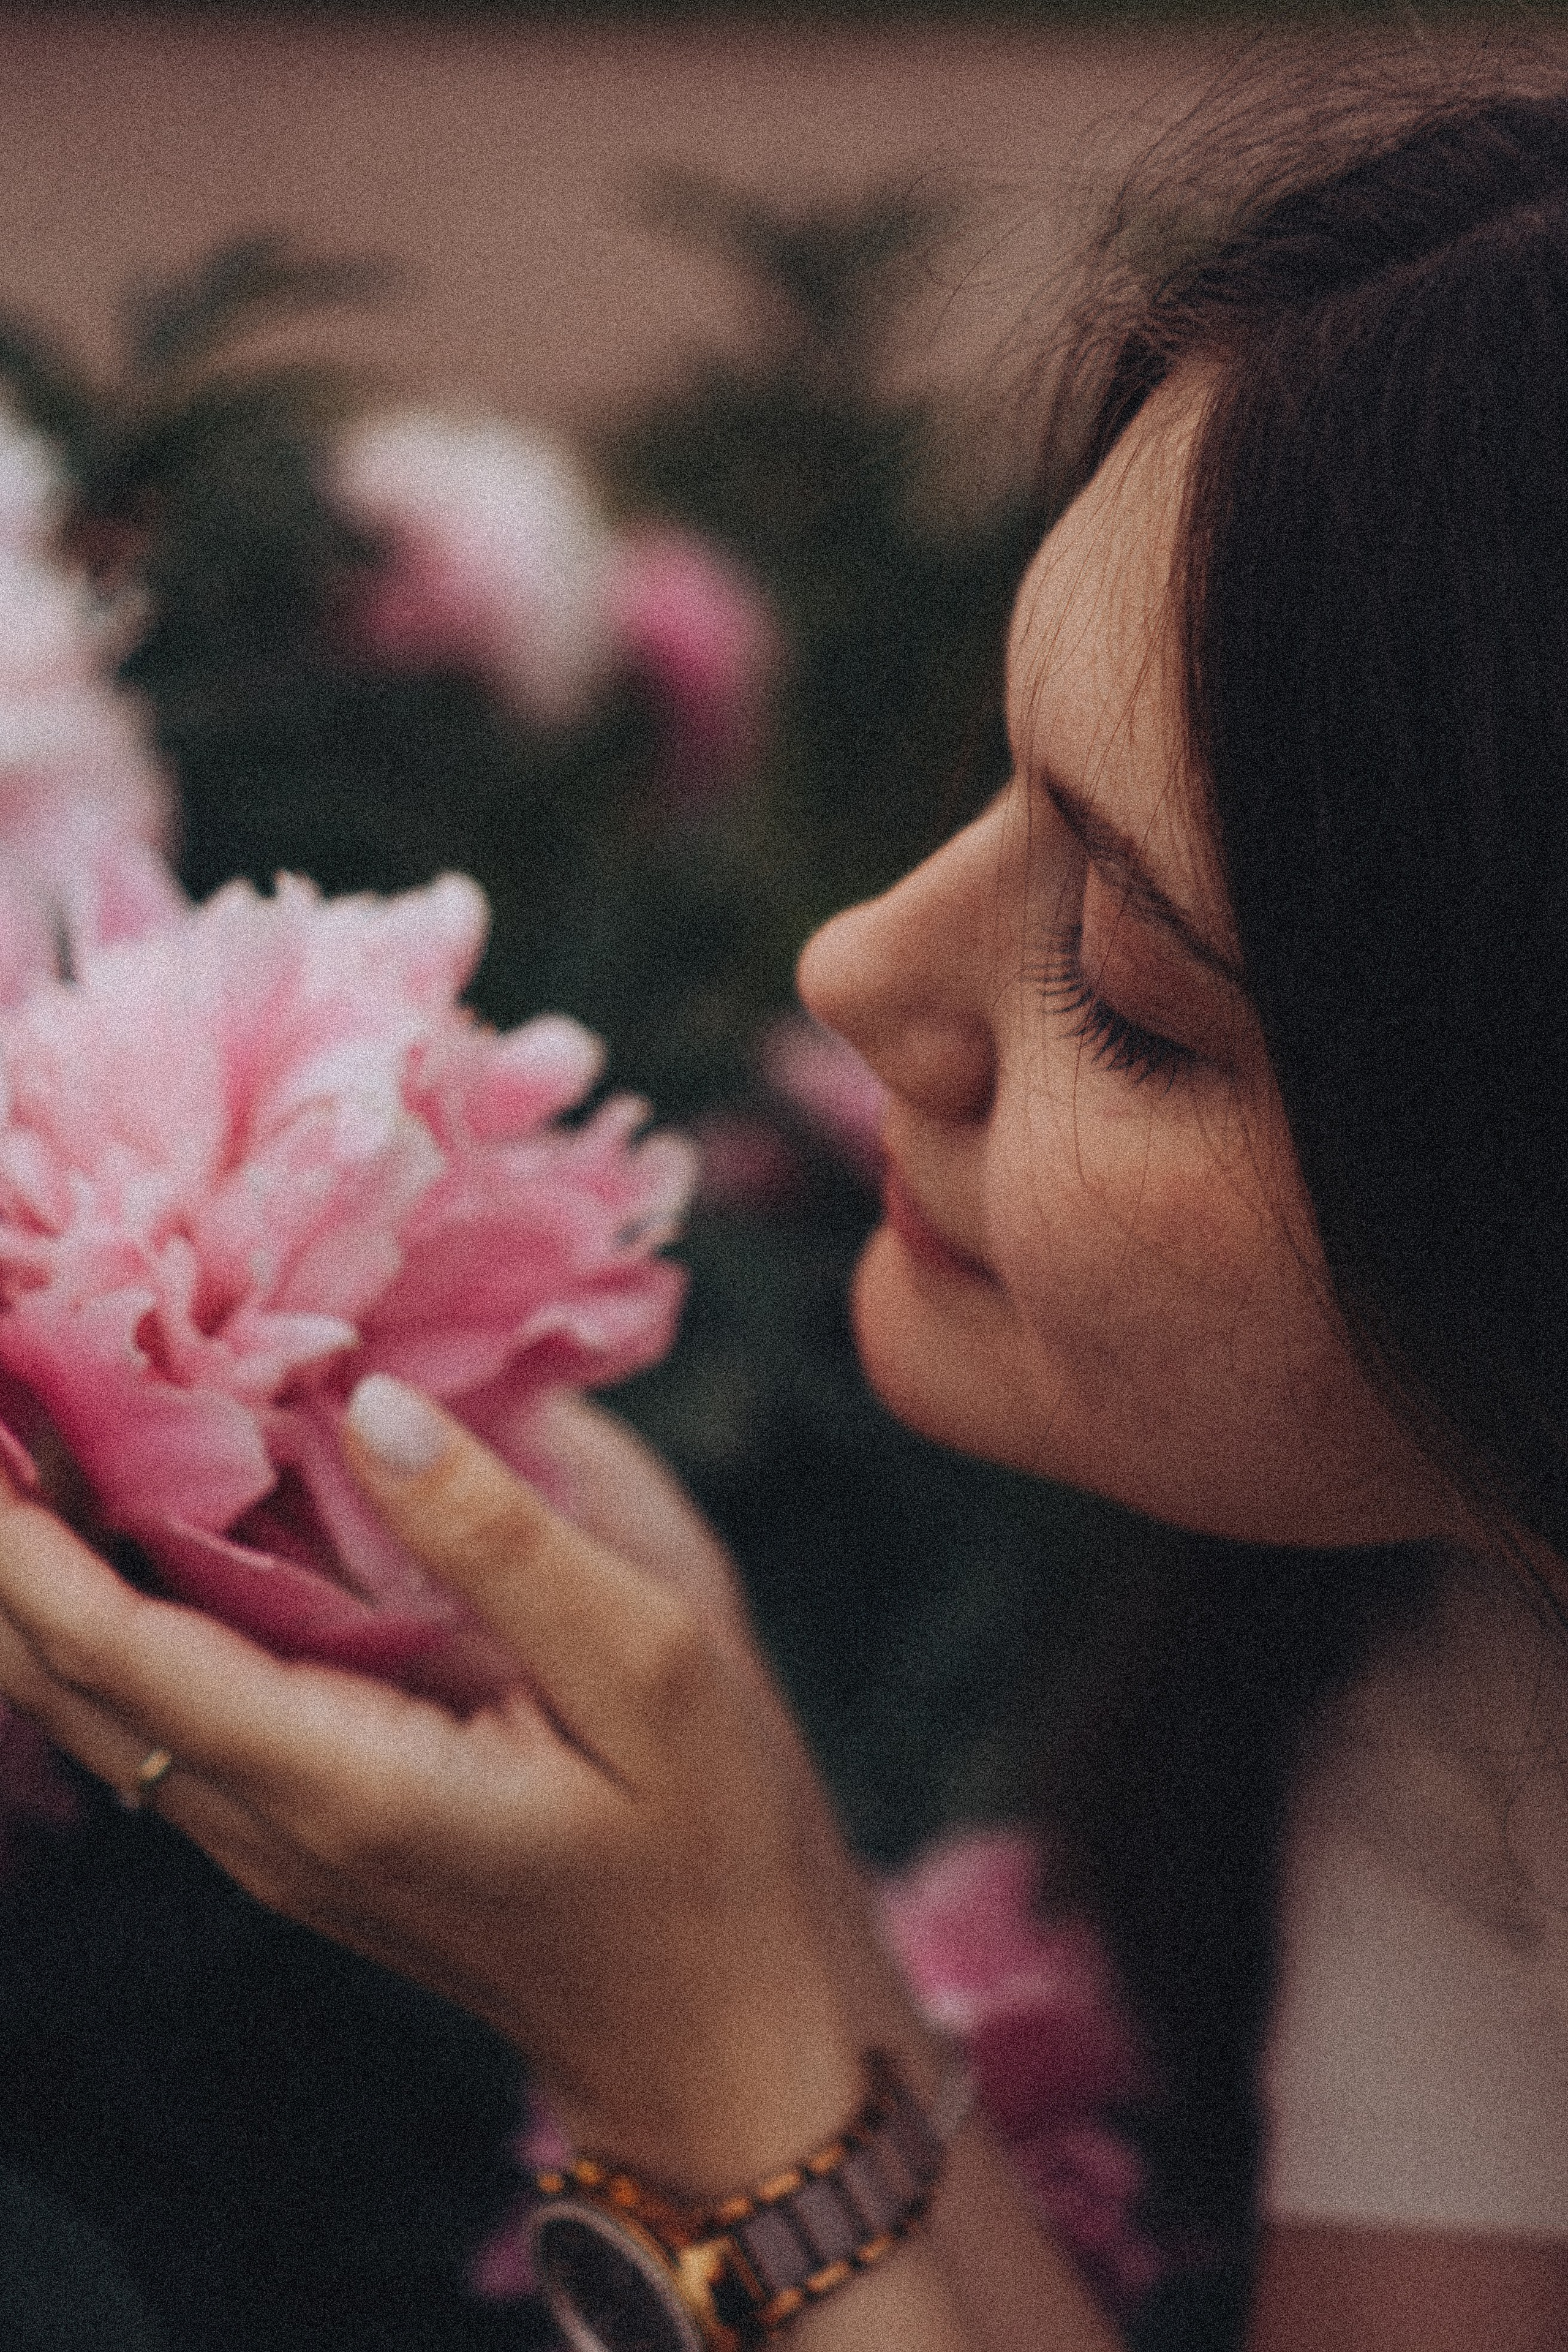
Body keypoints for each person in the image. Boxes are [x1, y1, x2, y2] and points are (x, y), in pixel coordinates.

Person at [1, 75, 1567, 2352]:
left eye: (1133, 990)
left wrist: (691, 2040)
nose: (856, 970)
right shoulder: (1480, 1660)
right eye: (1001, 782)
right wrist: (736, 1872)